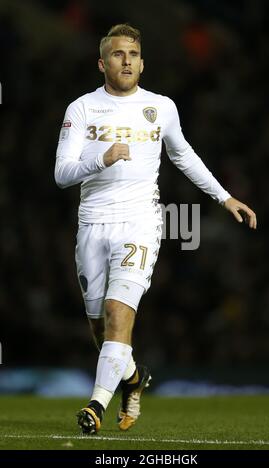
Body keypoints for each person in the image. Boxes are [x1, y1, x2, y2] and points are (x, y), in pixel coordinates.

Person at [54, 24, 257, 434]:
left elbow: (184, 156)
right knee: (99, 323)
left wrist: (224, 197)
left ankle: (95, 406)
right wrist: (102, 159)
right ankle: (132, 377)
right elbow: (61, 174)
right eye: (117, 54)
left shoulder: (161, 107)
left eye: (132, 54)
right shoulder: (81, 109)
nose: (126, 60)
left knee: (117, 313)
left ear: (143, 64)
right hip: (93, 223)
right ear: (102, 63)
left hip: (141, 223)